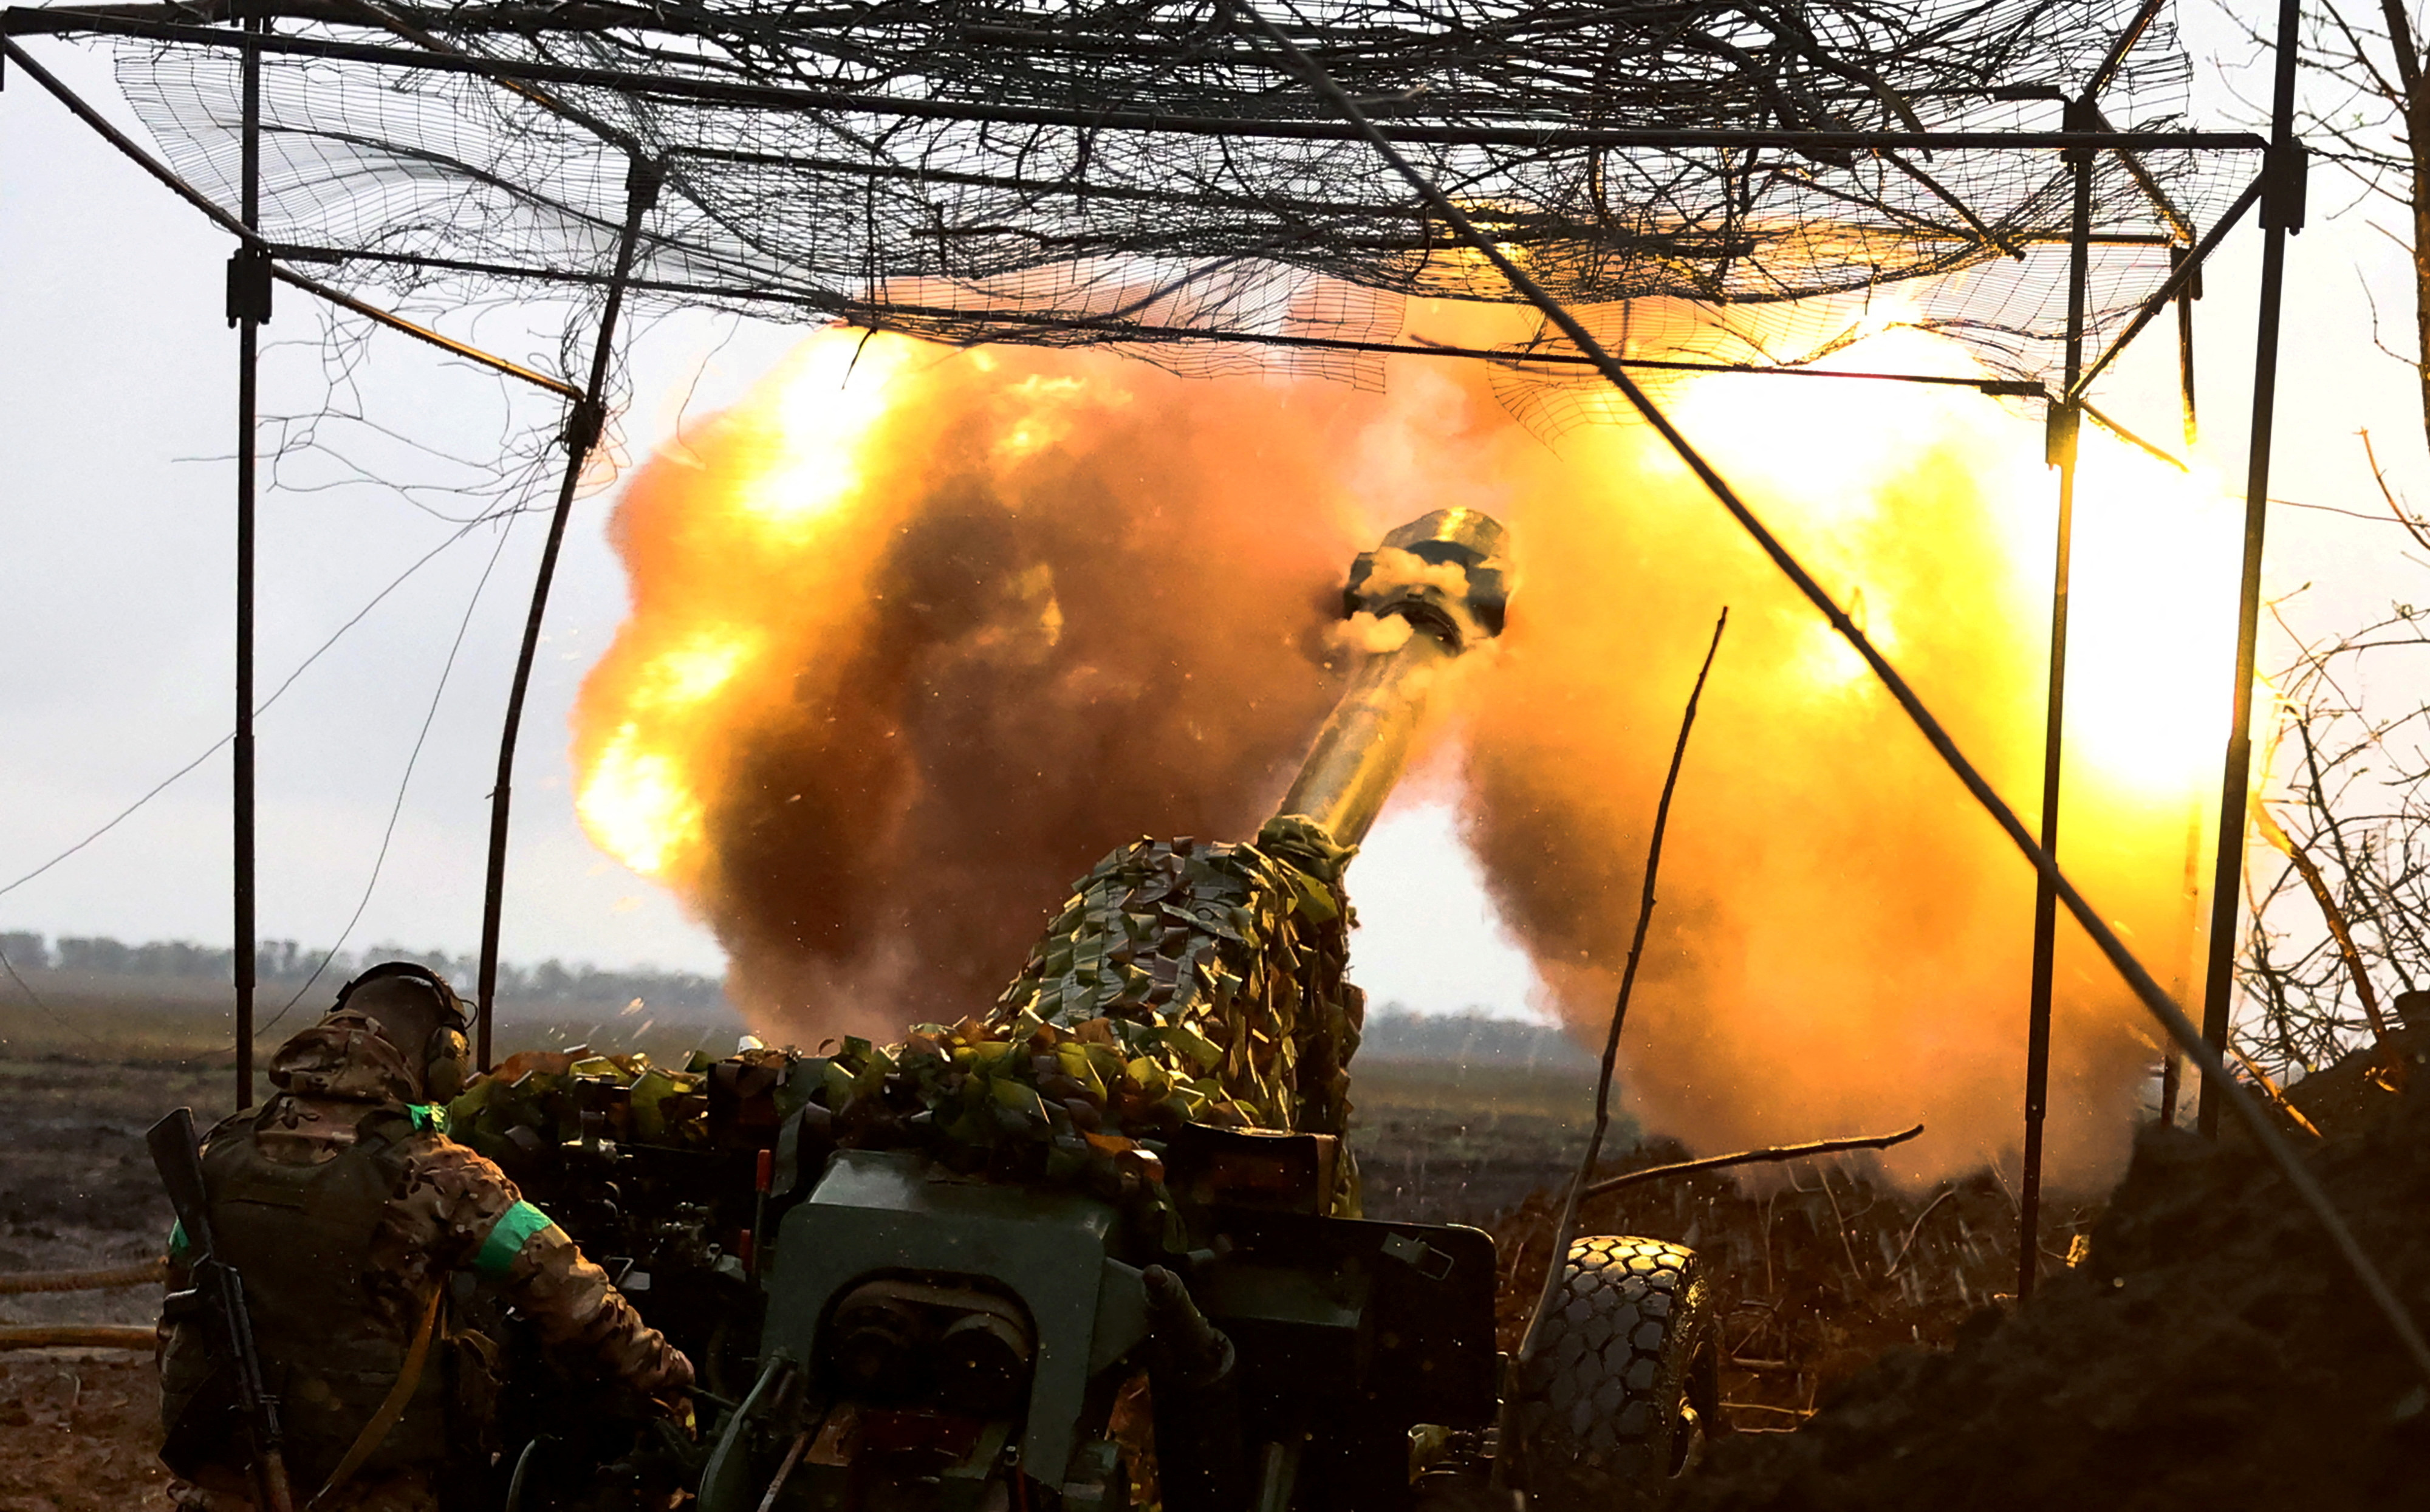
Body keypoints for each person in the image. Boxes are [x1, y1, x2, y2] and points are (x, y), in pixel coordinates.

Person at [159, 962, 693, 1511]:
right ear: (443, 1060)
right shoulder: (446, 1174)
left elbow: (179, 1294)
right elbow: (575, 1301)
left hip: (217, 1485)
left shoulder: (220, 1151)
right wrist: (669, 1372)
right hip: (365, 1489)